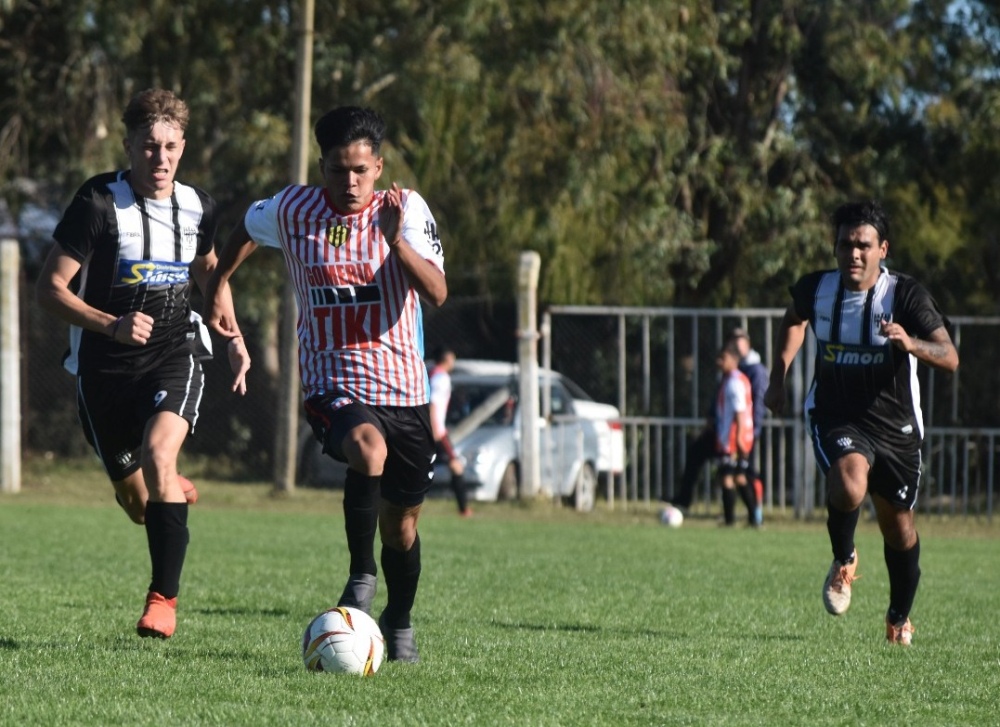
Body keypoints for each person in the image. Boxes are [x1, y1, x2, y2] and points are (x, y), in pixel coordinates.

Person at [202, 106, 447, 663]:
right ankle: (361, 576)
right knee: (367, 448)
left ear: (379, 166)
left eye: (361, 169)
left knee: (402, 529)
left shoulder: (405, 210)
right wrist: (219, 283)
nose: (351, 182)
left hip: (405, 392)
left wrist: (396, 244)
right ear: (323, 167)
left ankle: (399, 619)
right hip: (331, 384)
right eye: (338, 170)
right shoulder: (293, 208)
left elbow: (436, 293)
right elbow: (244, 229)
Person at [36, 88, 248, 639]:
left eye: (171, 147)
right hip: (102, 371)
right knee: (139, 504)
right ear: (129, 146)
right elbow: (49, 289)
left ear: (184, 147)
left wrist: (233, 334)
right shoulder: (98, 203)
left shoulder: (198, 206)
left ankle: (163, 601)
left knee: (158, 455)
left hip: (174, 354)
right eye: (149, 146)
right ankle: (168, 487)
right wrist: (110, 324)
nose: (161, 158)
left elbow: (209, 272)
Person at [764, 199, 958, 646]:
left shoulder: (905, 296)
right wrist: (779, 378)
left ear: (882, 249)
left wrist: (911, 344)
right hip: (836, 415)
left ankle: (897, 616)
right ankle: (844, 558)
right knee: (849, 483)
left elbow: (949, 357)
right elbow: (794, 319)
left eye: (863, 245)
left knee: (899, 529)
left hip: (897, 429)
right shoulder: (818, 290)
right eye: (845, 244)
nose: (853, 253)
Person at [712, 342, 758, 526]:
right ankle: (754, 519)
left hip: (733, 438)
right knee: (738, 476)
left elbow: (739, 411)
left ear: (733, 359)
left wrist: (738, 436)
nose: (719, 362)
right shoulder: (734, 379)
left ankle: (732, 520)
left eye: (722, 358)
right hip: (735, 436)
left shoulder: (734, 382)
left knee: (728, 477)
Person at [730, 328, 769, 524]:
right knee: (738, 472)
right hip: (733, 431)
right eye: (734, 342)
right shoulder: (737, 368)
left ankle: (757, 514)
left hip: (747, 431)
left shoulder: (756, 369)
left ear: (748, 343)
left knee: (747, 472)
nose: (737, 346)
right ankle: (752, 515)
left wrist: (752, 430)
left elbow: (759, 401)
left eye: (741, 341)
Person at [428, 346, 472, 517]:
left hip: (434, 428)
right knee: (456, 465)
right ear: (447, 358)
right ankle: (464, 509)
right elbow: (433, 403)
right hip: (437, 430)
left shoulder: (432, 373)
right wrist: (434, 429)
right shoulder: (441, 377)